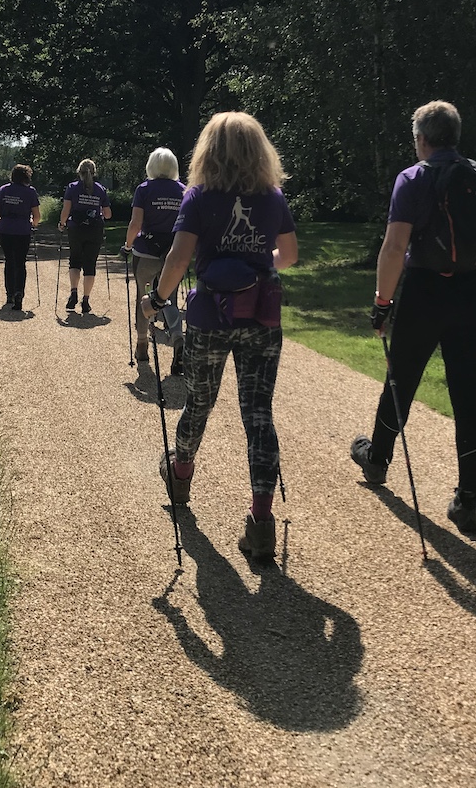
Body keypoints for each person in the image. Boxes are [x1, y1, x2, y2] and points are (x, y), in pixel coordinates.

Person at [141, 112, 298, 561]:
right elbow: (288, 255)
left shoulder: (198, 197)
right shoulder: (272, 198)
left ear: (208, 150)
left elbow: (176, 260)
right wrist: (255, 265)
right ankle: (261, 521)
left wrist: (156, 300)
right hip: (261, 318)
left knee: (200, 401)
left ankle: (180, 472)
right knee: (258, 414)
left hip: (210, 315)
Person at [350, 100, 476, 535]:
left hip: (425, 289)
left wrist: (382, 301)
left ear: (421, 138)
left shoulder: (413, 179)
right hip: (474, 290)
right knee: (469, 392)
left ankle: (377, 458)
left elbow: (395, 247)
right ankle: (468, 499)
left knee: (403, 377)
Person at [124, 147, 186, 373]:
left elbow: (135, 224)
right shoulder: (184, 190)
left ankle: (142, 344)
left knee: (143, 296)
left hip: (146, 251)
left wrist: (128, 245)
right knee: (168, 297)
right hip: (173, 252)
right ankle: (178, 338)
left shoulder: (144, 189)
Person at [58, 159, 111, 314]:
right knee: (90, 264)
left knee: (75, 260)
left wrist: (62, 223)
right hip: (94, 230)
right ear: (94, 172)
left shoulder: (72, 188)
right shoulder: (100, 189)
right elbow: (108, 214)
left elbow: (66, 209)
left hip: (76, 229)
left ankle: (73, 292)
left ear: (79, 172)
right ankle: (86, 300)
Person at [0, 164, 41, 312]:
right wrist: (33, 225)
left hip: (5, 229)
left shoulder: (3, 190)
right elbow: (37, 216)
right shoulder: (30, 192)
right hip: (22, 230)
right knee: (20, 262)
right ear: (26, 176)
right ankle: (19, 292)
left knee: (9, 261)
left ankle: (10, 294)